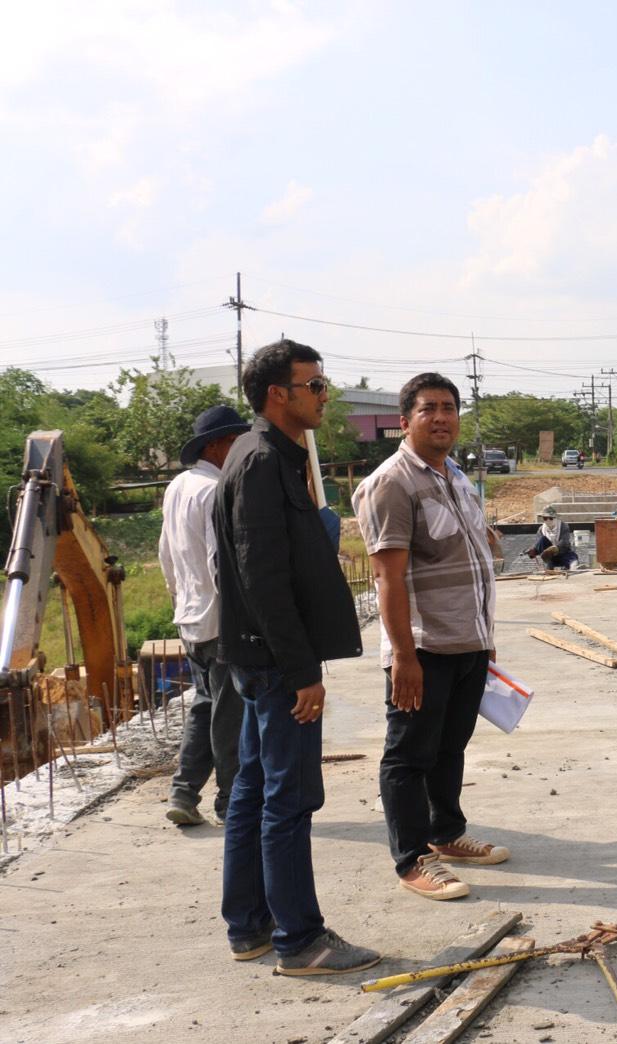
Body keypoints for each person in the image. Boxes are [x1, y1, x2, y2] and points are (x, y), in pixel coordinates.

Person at [213, 339, 379, 975]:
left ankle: (250, 928)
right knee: (289, 799)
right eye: (314, 385)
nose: (324, 395)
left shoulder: (271, 453)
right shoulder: (260, 460)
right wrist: (302, 672)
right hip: (276, 663)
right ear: (278, 394)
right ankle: (301, 941)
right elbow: (263, 579)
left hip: (262, 658)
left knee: (255, 790)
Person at [352, 373, 507, 902]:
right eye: (428, 409)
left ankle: (446, 832)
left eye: (449, 408)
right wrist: (403, 656)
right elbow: (388, 579)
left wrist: (485, 637)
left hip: (467, 641)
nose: (441, 418)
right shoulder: (391, 483)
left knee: (449, 747)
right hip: (422, 646)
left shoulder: (456, 477)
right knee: (409, 755)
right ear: (405, 421)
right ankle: (412, 858)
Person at [160, 404, 249, 827]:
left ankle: (183, 792)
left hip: (191, 617)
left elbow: (166, 554)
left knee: (205, 705)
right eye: (235, 443)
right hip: (219, 620)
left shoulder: (178, 486)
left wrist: (178, 598)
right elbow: (221, 563)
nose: (240, 452)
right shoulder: (216, 491)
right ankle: (231, 803)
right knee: (229, 716)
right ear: (215, 446)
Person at [526, 505, 577, 570]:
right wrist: (533, 551)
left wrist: (556, 548)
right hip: (548, 557)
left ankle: (573, 566)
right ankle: (549, 566)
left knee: (572, 557)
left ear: (555, 518)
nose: (548, 520)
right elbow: (539, 544)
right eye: (545, 518)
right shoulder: (541, 529)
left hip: (562, 552)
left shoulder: (563, 526)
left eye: (550, 518)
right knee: (542, 539)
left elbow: (565, 542)